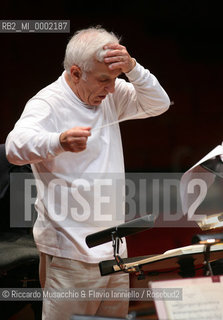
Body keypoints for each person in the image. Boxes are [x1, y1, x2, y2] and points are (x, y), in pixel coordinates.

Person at [6, 26, 170, 320]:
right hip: (71, 251)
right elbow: (14, 147)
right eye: (103, 79)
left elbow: (158, 104)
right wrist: (58, 141)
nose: (110, 88)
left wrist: (133, 68)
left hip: (114, 248)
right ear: (76, 72)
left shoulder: (111, 92)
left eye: (115, 79)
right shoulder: (48, 102)